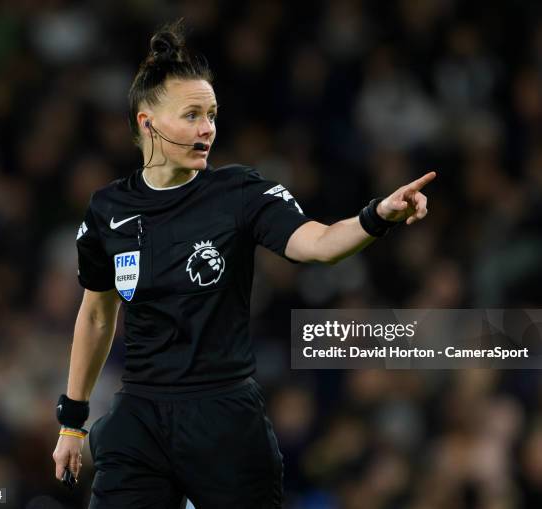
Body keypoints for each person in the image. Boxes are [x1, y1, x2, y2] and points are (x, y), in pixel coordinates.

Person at [52, 20, 435, 509]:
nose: (207, 128)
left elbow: (316, 243)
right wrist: (72, 420)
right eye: (191, 115)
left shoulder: (239, 192)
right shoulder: (109, 209)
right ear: (147, 123)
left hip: (224, 418)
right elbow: (97, 315)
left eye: (211, 114)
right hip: (141, 416)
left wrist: (377, 216)